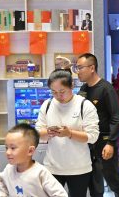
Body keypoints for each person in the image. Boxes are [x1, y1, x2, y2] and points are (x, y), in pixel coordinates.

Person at [35, 69, 99, 197]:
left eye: (62, 91)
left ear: (72, 86)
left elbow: (93, 137)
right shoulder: (47, 105)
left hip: (79, 168)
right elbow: (37, 134)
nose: (58, 96)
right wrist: (48, 132)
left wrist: (69, 133)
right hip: (52, 167)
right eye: (54, 92)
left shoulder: (84, 105)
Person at [76, 53, 119, 197]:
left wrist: (111, 142)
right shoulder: (83, 90)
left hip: (104, 141)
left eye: (80, 67)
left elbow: (116, 118)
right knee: (94, 181)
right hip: (88, 142)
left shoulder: (106, 88)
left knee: (112, 179)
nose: (77, 71)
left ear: (92, 68)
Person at [0, 124, 68, 197]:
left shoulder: (40, 173)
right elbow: (1, 184)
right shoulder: (8, 170)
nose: (8, 152)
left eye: (13, 148)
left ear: (30, 151)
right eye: (6, 148)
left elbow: (61, 194)